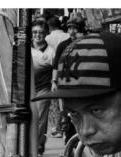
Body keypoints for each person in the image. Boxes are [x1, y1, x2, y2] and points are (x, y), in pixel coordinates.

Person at [51, 13, 87, 144]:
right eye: (70, 28)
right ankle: (70, 145)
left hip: (83, 84)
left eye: (75, 28)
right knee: (68, 114)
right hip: (66, 84)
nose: (71, 31)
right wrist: (54, 82)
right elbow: (56, 65)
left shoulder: (87, 42)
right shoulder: (63, 45)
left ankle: (81, 146)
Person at [30, 19, 55, 156]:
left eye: (40, 32)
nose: (37, 35)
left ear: (46, 33)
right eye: (34, 32)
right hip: (27, 89)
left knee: (40, 119)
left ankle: (38, 146)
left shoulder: (51, 52)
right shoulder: (25, 49)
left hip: (43, 90)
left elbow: (56, 69)